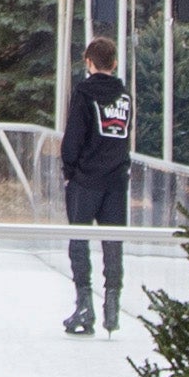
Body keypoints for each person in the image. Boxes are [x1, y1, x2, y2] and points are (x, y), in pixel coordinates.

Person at [60, 33, 134, 337]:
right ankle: (112, 305)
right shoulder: (125, 96)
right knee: (112, 242)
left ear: (89, 63)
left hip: (85, 180)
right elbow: (124, 137)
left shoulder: (84, 93)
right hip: (116, 181)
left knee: (79, 240)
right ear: (114, 63)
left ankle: (85, 305)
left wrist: (70, 170)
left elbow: (74, 136)